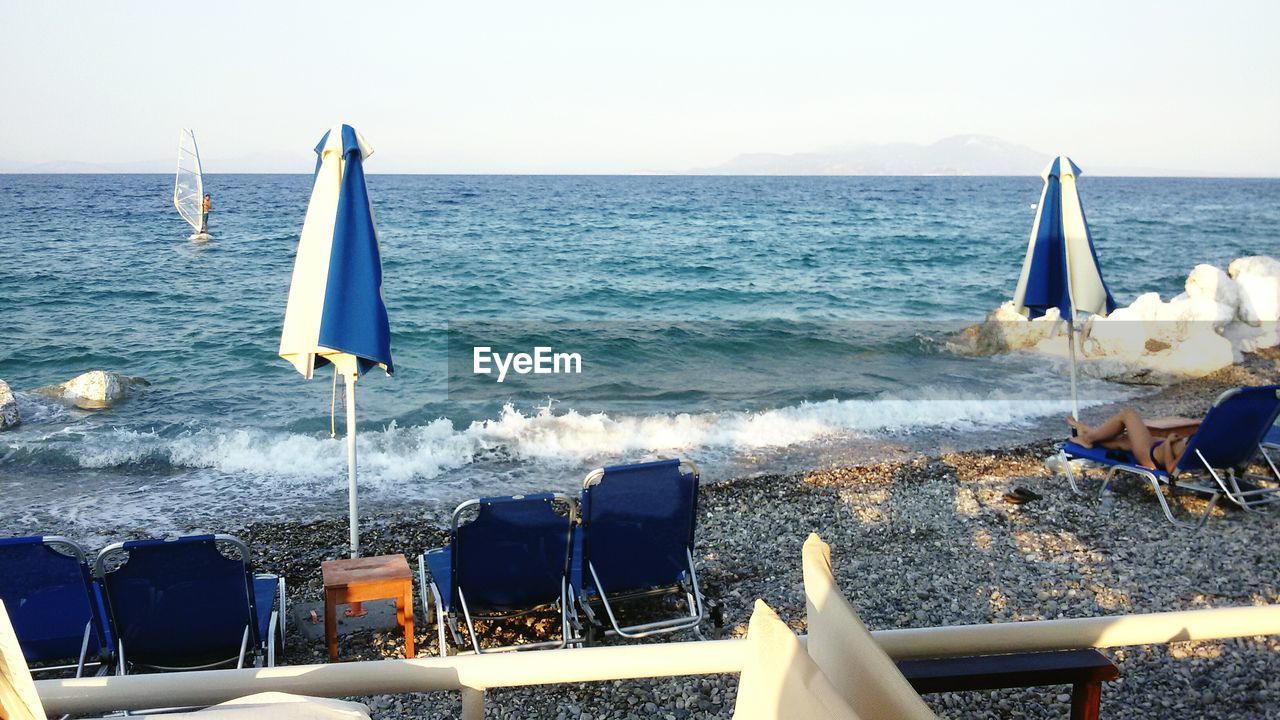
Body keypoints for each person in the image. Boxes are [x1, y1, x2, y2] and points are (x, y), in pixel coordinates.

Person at [1067, 408, 1191, 474]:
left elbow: (1171, 469)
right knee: (1123, 441)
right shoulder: (1205, 448)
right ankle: (1088, 432)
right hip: (1156, 448)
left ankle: (1087, 438)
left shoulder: (1193, 448)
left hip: (1150, 456)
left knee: (1127, 413)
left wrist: (1168, 443)